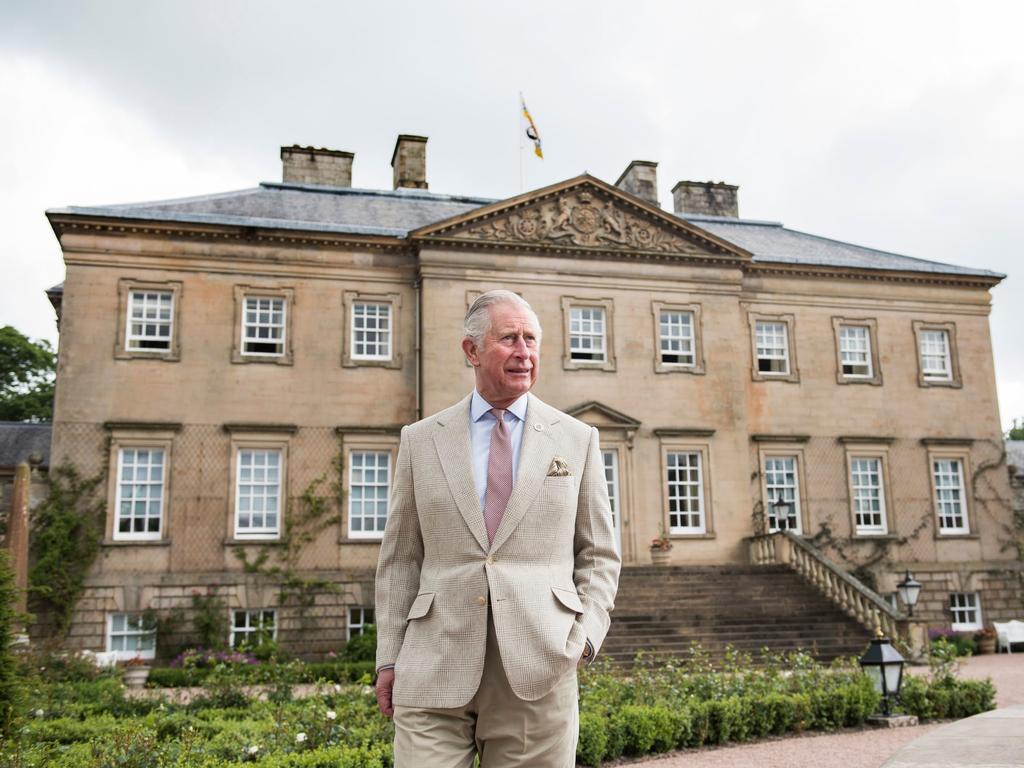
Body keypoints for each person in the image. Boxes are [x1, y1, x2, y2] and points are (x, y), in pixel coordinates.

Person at [374, 289, 621, 767]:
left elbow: (599, 553)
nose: (524, 351)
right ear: (471, 350)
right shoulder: (422, 440)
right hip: (433, 661)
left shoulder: (577, 439)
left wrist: (586, 636)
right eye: (509, 338)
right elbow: (401, 558)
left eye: (531, 339)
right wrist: (389, 656)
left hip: (540, 663)